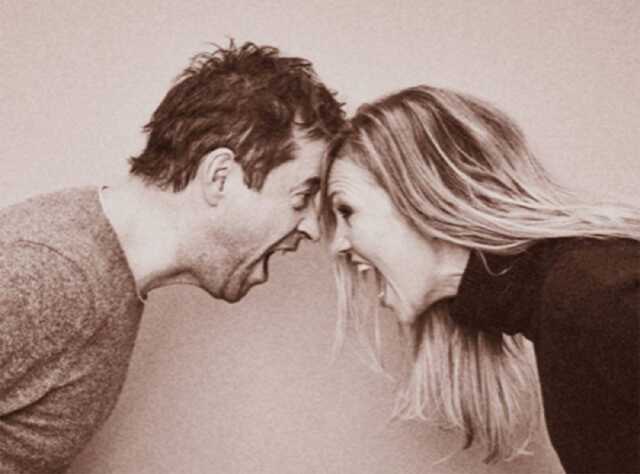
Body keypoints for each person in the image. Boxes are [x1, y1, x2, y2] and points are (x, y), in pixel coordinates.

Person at [0, 42, 344, 472]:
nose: (312, 228)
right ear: (220, 177)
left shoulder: (102, 272)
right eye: (301, 196)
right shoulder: (51, 273)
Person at [320, 85, 639, 474]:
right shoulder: (560, 300)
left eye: (347, 211)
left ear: (422, 197)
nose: (338, 243)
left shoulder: (595, 293)